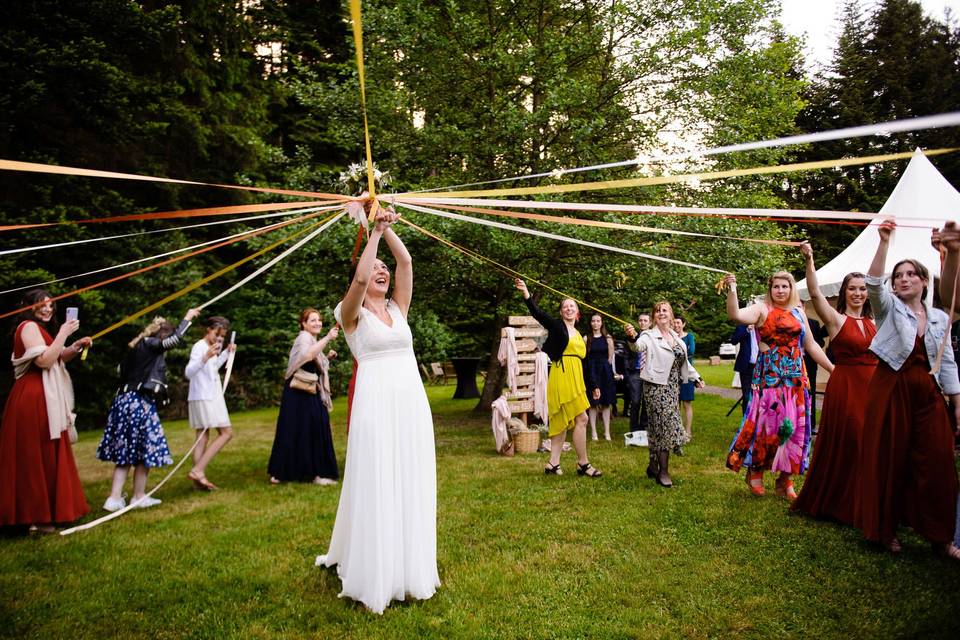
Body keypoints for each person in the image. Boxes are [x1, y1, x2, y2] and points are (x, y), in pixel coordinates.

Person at [316, 207, 440, 614]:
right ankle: (375, 568)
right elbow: (360, 278)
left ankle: (408, 564)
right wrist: (372, 232)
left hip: (411, 404)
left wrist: (387, 232)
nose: (382, 272)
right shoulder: (349, 315)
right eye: (377, 269)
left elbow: (406, 261)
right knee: (378, 476)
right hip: (375, 404)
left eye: (384, 270)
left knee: (409, 475)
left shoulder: (400, 309)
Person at [853, 220, 960, 558]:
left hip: (928, 394)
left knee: (938, 460)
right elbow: (873, 283)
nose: (903, 278)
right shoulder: (888, 309)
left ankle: (940, 536)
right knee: (890, 458)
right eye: (899, 275)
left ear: (924, 282)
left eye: (911, 274)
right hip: (891, 388)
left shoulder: (940, 317)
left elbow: (948, 362)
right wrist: (884, 242)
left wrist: (957, 400)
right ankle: (884, 531)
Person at [723, 270, 833, 500]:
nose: (780, 291)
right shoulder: (762, 309)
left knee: (794, 428)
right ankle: (755, 472)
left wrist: (833, 369)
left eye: (785, 286)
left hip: (795, 378)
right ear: (770, 289)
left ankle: (786, 479)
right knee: (768, 427)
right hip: (769, 377)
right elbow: (735, 315)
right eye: (776, 287)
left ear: (792, 289)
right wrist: (732, 289)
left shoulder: (799, 312)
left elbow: (811, 345)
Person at [791, 243, 876, 525]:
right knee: (850, 439)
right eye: (852, 288)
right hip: (847, 387)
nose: (858, 293)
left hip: (875, 388)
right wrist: (810, 260)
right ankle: (841, 502)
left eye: (863, 288)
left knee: (872, 443)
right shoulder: (836, 319)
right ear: (844, 293)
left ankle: (870, 501)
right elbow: (814, 292)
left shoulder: (876, 321)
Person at [0, 290, 91, 531]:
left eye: (51, 306)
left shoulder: (42, 330)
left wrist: (74, 346)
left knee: (47, 453)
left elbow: (57, 357)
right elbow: (43, 362)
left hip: (45, 397)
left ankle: (49, 513)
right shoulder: (28, 326)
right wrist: (63, 332)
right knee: (35, 456)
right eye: (42, 305)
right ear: (28, 307)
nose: (47, 310)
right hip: (33, 398)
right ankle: (35, 517)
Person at [97, 308, 200, 511]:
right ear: (162, 334)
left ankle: (117, 498)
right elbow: (172, 342)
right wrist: (187, 318)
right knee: (145, 451)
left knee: (127, 452)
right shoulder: (150, 344)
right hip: (138, 402)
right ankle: (137, 496)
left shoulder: (137, 349)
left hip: (124, 402)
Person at [515, 279, 603, 478]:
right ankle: (583, 463)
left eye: (572, 306)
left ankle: (553, 464)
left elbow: (586, 362)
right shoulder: (557, 326)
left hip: (576, 378)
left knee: (567, 420)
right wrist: (526, 294)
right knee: (582, 418)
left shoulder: (580, 335)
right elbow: (538, 314)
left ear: (577, 312)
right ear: (562, 312)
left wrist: (594, 384)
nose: (569, 309)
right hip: (561, 375)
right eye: (565, 306)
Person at [625, 302, 703, 487]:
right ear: (654, 316)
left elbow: (683, 362)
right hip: (654, 387)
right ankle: (663, 472)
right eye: (657, 311)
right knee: (665, 426)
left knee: (657, 426)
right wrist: (631, 337)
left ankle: (653, 464)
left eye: (664, 310)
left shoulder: (676, 337)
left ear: (671, 314)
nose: (661, 313)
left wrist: (696, 377)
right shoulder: (648, 335)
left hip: (672, 388)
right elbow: (637, 347)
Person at [267, 308, 340, 485]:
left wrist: (327, 358)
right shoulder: (303, 338)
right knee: (302, 430)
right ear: (304, 323)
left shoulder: (311, 339)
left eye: (319, 320)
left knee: (301, 430)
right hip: (299, 391)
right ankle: (310, 473)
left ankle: (291, 472)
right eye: (312, 320)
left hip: (307, 390)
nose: (317, 323)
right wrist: (328, 338)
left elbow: (313, 362)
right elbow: (307, 355)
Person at [184, 316, 235, 491]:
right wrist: (205, 357)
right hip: (205, 396)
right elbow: (189, 372)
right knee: (226, 432)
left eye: (222, 336)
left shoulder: (211, 347)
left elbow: (213, 368)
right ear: (208, 329)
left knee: (202, 436)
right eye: (216, 334)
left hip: (208, 395)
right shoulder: (200, 347)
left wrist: (227, 353)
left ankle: (198, 479)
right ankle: (198, 470)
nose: (218, 339)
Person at [583, 314, 617, 441]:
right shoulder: (586, 338)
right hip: (591, 371)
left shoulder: (607, 338)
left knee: (606, 402)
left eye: (598, 321)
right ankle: (594, 433)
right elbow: (584, 356)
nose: (595, 323)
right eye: (593, 321)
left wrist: (607, 369)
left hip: (605, 371)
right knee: (593, 403)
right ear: (590, 323)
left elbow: (610, 357)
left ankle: (607, 432)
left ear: (602, 323)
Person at [625, 312, 651, 433]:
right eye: (640, 320)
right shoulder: (632, 335)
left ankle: (644, 426)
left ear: (650, 323)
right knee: (635, 401)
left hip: (648, 372)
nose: (642, 323)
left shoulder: (652, 337)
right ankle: (634, 428)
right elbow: (627, 354)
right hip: (635, 372)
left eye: (645, 320)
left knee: (647, 401)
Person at [673, 315, 695, 444]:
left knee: (687, 403)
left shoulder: (689, 337)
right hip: (673, 374)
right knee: (675, 404)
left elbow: (691, 351)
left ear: (683, 324)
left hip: (687, 373)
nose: (676, 325)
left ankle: (688, 431)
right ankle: (677, 430)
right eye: (674, 323)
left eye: (678, 323)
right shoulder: (670, 337)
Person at [729, 324, 757, 416]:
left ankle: (758, 422)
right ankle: (746, 422)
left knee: (760, 395)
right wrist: (747, 330)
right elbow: (733, 340)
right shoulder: (743, 327)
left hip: (760, 366)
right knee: (747, 396)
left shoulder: (763, 326)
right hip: (746, 366)